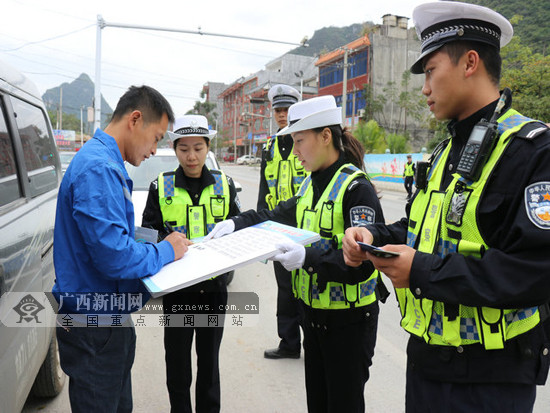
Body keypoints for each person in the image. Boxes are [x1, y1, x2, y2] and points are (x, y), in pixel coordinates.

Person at [342, 2, 550, 412]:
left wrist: (420, 270)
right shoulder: (443, 153)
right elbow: (425, 231)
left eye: (431, 70)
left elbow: (535, 272)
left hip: (491, 380)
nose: (424, 88)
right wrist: (376, 239)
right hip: (426, 364)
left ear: (470, 62)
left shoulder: (533, 151)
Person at [207, 95, 388, 413]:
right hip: (314, 318)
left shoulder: (356, 189)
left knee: (343, 405)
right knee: (318, 403)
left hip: (349, 323)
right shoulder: (310, 186)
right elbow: (272, 215)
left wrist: (309, 258)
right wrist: (234, 223)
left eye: (300, 141)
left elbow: (364, 263)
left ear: (325, 136)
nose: (295, 151)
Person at [53, 85, 192, 413]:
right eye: (157, 137)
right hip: (94, 322)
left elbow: (115, 237)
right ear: (135, 119)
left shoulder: (103, 162)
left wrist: (150, 242)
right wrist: (166, 251)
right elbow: (113, 256)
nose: (155, 150)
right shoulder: (99, 168)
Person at [141, 115, 241, 413]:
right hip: (178, 292)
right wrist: (166, 243)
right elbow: (147, 232)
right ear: (174, 149)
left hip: (213, 291)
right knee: (177, 361)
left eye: (198, 147)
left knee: (209, 361)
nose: (192, 156)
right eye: (184, 149)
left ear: (208, 147)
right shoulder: (160, 186)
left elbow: (239, 227)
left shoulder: (226, 184)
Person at [258, 84, 307, 359]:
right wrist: (258, 228)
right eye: (277, 109)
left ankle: (313, 342)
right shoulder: (270, 147)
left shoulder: (307, 140)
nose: (281, 114)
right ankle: (289, 343)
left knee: (309, 285)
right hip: (278, 227)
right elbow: (265, 189)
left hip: (306, 226)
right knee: (285, 289)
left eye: (286, 109)